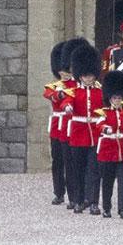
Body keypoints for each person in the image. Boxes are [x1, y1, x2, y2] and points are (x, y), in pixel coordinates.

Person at [64, 42, 104, 215]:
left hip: (95, 135)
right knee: (78, 170)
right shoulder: (74, 92)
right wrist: (67, 107)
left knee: (94, 171)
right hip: (79, 134)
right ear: (80, 75)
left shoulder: (100, 92)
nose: (88, 78)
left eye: (91, 75)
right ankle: (79, 200)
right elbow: (67, 101)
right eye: (85, 75)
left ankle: (94, 201)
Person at [94, 70, 123, 220]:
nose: (117, 100)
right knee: (108, 181)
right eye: (114, 97)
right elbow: (99, 124)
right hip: (108, 150)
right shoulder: (103, 112)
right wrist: (105, 128)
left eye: (119, 97)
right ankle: (106, 207)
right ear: (109, 98)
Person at [43, 41, 72, 207]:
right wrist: (59, 95)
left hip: (71, 126)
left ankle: (74, 194)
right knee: (57, 160)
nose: (65, 73)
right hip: (57, 126)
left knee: (71, 161)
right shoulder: (53, 86)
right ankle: (59, 192)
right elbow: (50, 94)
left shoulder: (76, 86)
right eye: (63, 70)